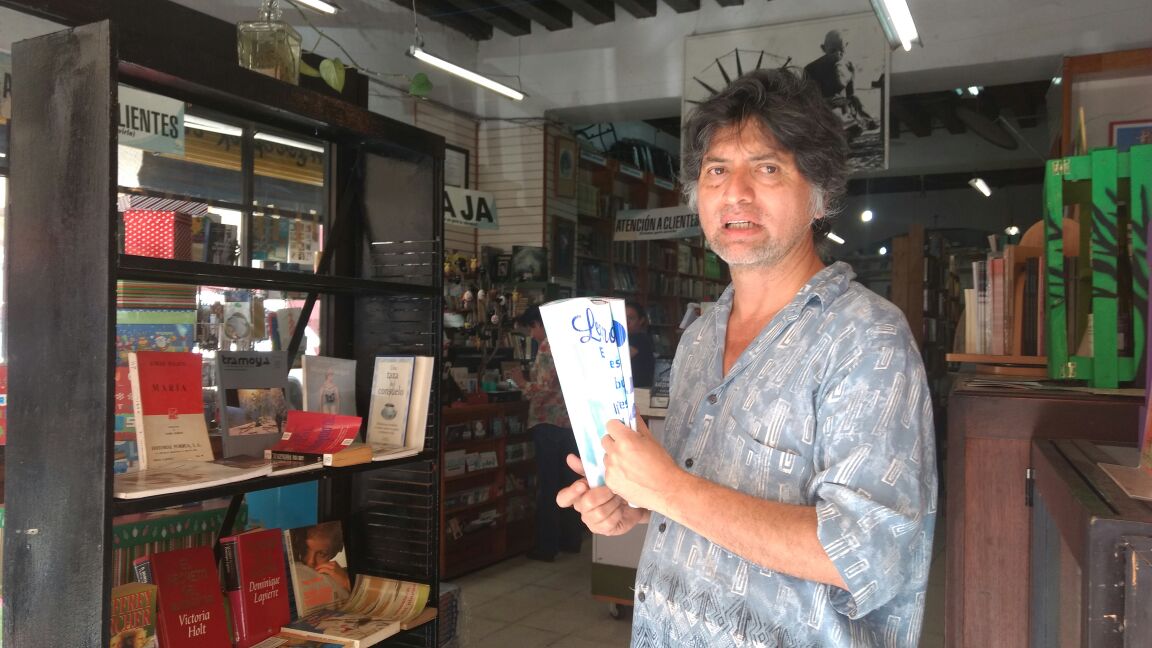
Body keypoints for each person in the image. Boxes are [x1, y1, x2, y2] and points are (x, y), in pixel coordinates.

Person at [557, 68, 937, 647]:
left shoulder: (866, 338)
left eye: (767, 168)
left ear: (820, 195)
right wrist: (638, 504)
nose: (735, 192)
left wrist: (669, 491)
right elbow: (695, 497)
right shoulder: (700, 336)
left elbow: (868, 555)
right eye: (716, 170)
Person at [516, 304, 585, 561]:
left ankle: (546, 547)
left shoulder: (547, 346)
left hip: (548, 423)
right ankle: (571, 540)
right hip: (570, 422)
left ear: (538, 324)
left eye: (531, 329)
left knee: (548, 487)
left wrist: (520, 382)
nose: (532, 335)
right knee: (570, 483)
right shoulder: (571, 343)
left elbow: (543, 388)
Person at [803, 29, 878, 138]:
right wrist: (827, 101)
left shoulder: (849, 65)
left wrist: (854, 105)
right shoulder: (811, 69)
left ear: (846, 46)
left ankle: (859, 122)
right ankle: (846, 126)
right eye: (833, 50)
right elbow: (807, 100)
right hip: (823, 107)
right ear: (823, 48)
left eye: (841, 50)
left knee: (856, 103)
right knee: (834, 116)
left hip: (843, 106)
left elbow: (851, 94)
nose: (838, 54)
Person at [624, 301, 656, 388]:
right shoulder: (626, 338)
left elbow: (621, 357)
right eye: (623, 317)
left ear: (641, 320)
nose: (626, 322)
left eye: (631, 318)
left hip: (639, 390)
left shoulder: (640, 338)